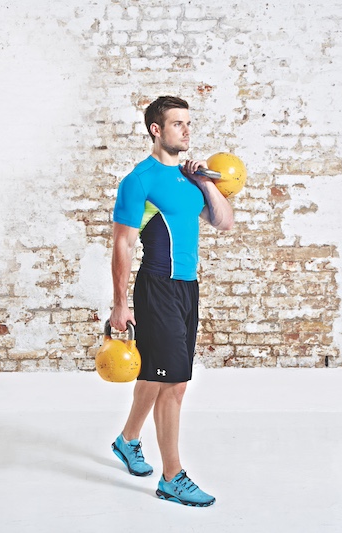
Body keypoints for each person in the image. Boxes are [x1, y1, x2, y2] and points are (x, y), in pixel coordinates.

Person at [108, 95, 234, 507]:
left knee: (158, 373)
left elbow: (224, 221)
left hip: (187, 289)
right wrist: (119, 305)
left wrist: (205, 182)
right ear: (155, 130)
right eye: (177, 123)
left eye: (188, 123)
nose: (186, 130)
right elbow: (123, 246)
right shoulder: (139, 181)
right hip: (157, 287)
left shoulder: (188, 178)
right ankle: (171, 477)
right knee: (175, 382)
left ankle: (128, 440)